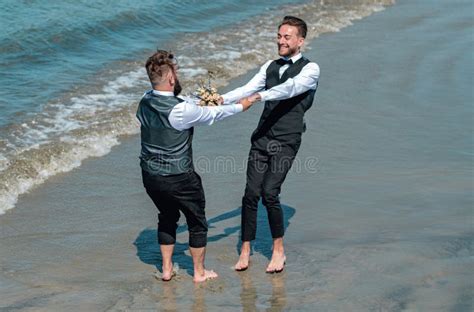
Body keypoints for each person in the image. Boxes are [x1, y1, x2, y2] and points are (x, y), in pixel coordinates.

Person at [136, 50, 252, 282]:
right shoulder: (181, 111)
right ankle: (199, 272)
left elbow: (184, 104)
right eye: (176, 74)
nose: (177, 78)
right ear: (171, 79)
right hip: (179, 177)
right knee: (197, 222)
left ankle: (167, 269)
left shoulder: (145, 100)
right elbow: (213, 115)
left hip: (150, 176)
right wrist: (242, 106)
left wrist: (200, 100)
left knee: (166, 216)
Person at [219, 16, 320, 273]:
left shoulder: (311, 69)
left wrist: (259, 96)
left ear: (300, 40)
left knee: (270, 193)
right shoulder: (269, 66)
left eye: (287, 37)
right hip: (262, 137)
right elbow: (246, 88)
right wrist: (220, 99)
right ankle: (245, 249)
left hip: (287, 140)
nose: (281, 41)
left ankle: (278, 250)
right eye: (279, 36)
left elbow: (290, 89)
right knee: (250, 194)